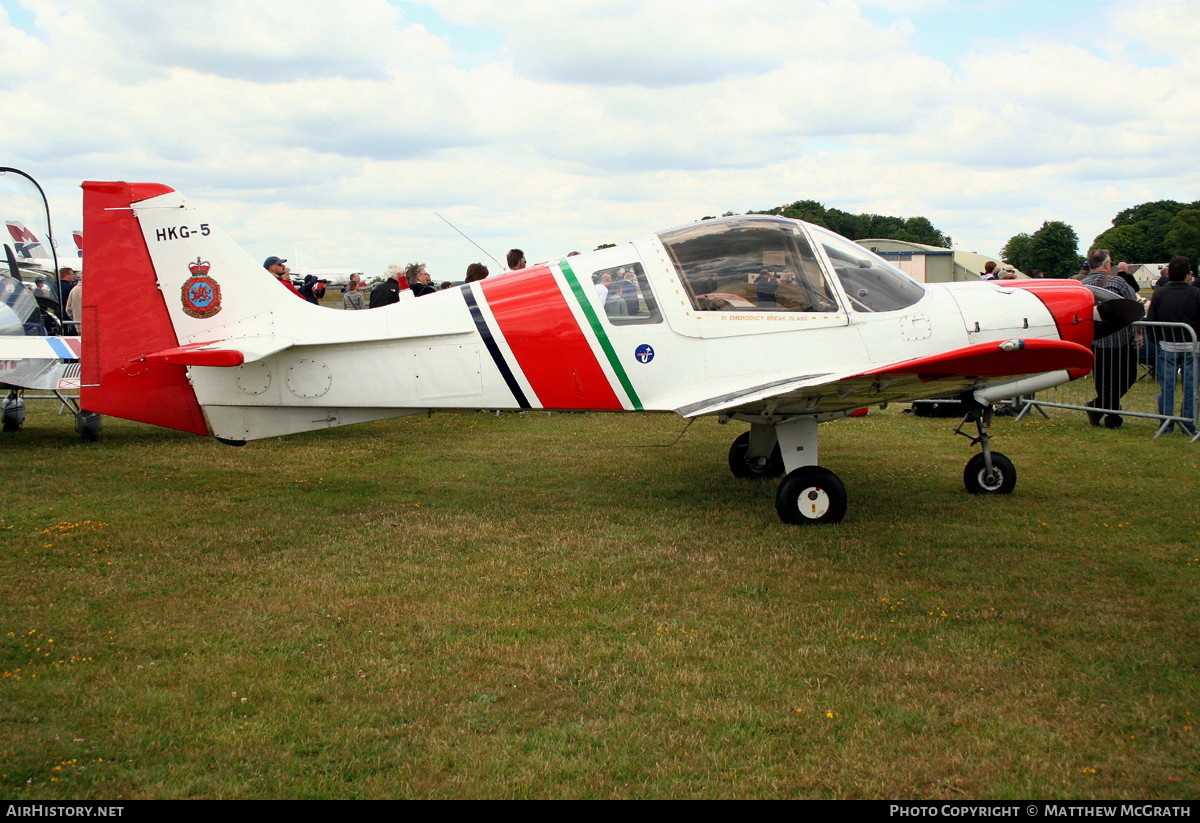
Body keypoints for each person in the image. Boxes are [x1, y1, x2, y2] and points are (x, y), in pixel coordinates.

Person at [1083, 248, 1141, 428]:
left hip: (1095, 339)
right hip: (1120, 338)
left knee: (1102, 380)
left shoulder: (1081, 285)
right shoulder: (1118, 282)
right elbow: (1134, 308)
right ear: (1107, 264)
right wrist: (1138, 333)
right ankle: (1111, 416)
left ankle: (1099, 408)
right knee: (1127, 376)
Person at [1147, 255, 1200, 435]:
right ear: (1187, 275)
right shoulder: (1196, 294)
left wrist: (1158, 341)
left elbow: (1151, 320)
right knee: (1191, 388)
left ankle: (1166, 424)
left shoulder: (1160, 293)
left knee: (1167, 387)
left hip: (1167, 345)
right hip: (1191, 346)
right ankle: (1188, 425)